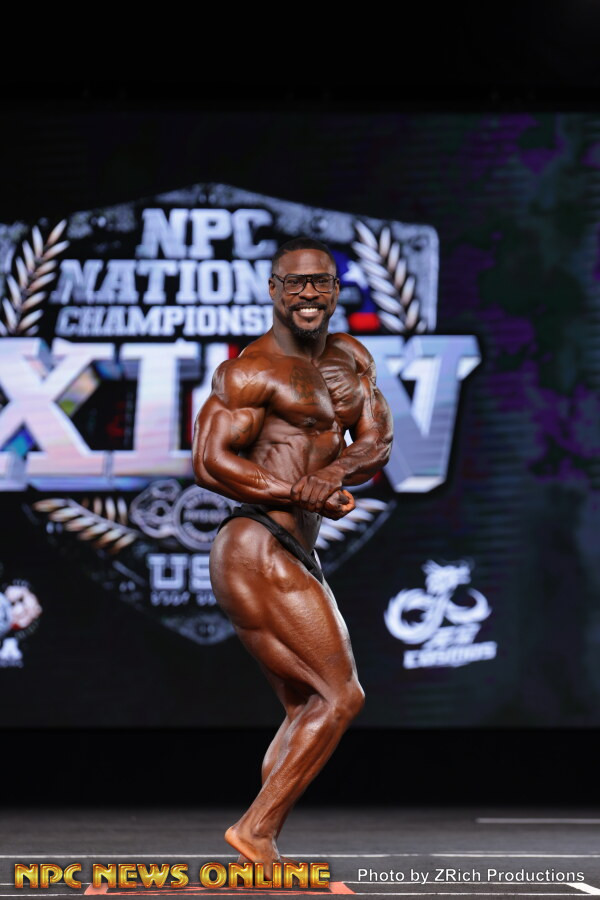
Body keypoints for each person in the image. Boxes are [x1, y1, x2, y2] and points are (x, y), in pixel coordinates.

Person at [192, 237, 393, 875]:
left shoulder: (352, 357)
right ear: (274, 290)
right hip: (254, 540)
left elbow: (377, 442)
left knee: (308, 705)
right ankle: (255, 832)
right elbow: (209, 461)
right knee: (341, 696)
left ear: (335, 291)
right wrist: (293, 490)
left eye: (321, 283)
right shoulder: (250, 371)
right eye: (295, 283)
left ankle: (261, 853)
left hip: (294, 547)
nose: (309, 294)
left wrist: (330, 474)